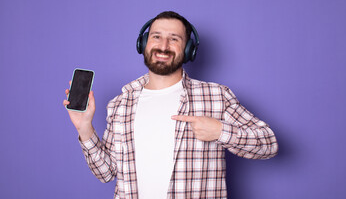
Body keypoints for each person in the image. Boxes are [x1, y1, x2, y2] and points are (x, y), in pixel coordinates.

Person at [63, 11, 278, 199]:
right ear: (144, 43)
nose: (163, 46)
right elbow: (106, 173)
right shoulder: (121, 104)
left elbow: (269, 143)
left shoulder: (216, 96)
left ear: (188, 49)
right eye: (156, 37)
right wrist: (85, 129)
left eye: (174, 39)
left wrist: (220, 131)